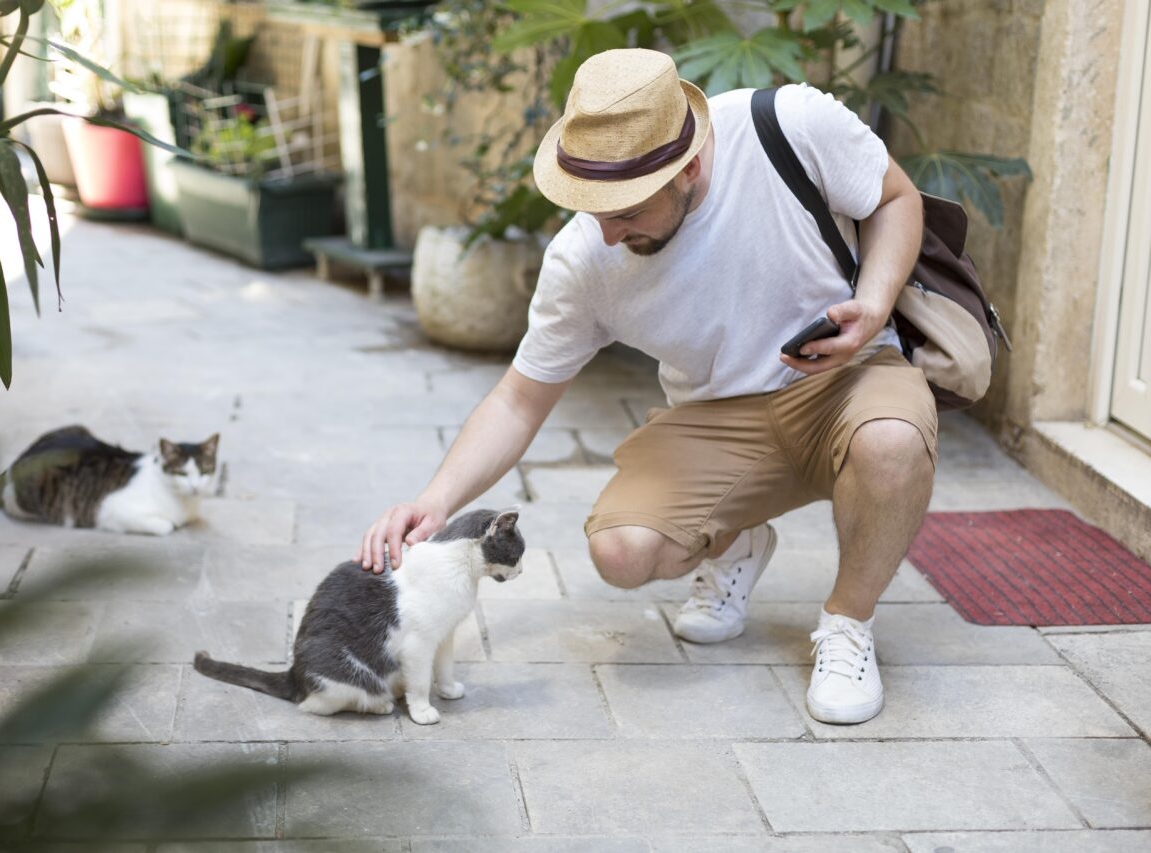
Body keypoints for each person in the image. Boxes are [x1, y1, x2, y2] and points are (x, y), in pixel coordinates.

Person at [360, 48, 935, 725]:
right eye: (588, 205)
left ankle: (847, 624)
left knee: (893, 443)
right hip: (715, 418)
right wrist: (433, 502)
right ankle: (739, 539)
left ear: (688, 168)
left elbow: (897, 199)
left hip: (848, 381)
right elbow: (519, 399)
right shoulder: (584, 258)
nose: (605, 231)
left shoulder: (793, 125)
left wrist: (873, 300)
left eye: (624, 209)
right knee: (622, 551)